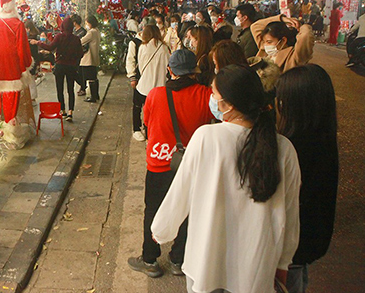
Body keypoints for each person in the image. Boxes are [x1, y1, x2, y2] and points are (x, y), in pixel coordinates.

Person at [152, 64, 301, 293]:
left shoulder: (206, 138)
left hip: (206, 260)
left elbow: (181, 191)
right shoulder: (284, 148)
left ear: (228, 104)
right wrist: (283, 261)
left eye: (214, 94)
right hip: (256, 265)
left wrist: (162, 230)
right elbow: (290, 213)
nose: (211, 98)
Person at [128, 50, 214, 278]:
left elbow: (147, 121)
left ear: (170, 71)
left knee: (153, 210)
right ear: (194, 71)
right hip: (191, 167)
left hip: (159, 164)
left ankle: (150, 260)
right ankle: (178, 259)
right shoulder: (206, 95)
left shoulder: (156, 95)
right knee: (188, 212)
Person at [276, 65, 339, 293]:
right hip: (309, 242)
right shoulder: (322, 136)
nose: (278, 105)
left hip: (292, 245)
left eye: (282, 100)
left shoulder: (294, 147)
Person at [33, 17, 84, 121]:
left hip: (60, 66)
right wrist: (74, 61)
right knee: (71, 89)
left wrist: (38, 43)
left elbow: (50, 47)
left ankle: (63, 111)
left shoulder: (59, 37)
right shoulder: (76, 39)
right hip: (71, 67)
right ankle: (70, 112)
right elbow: (80, 53)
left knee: (60, 89)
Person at [134, 25, 171, 138]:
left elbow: (140, 66)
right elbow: (167, 67)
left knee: (139, 107)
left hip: (144, 86)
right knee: (155, 113)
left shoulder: (143, 47)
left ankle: (139, 130)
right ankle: (154, 134)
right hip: (160, 87)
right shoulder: (165, 48)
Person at [125, 28, 145, 141]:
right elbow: (130, 60)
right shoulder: (135, 43)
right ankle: (136, 128)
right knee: (137, 103)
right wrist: (132, 76)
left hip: (150, 77)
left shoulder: (157, 43)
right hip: (138, 77)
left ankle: (146, 126)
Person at [80, 15, 101, 102]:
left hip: (89, 59)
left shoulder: (91, 32)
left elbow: (81, 41)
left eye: (87, 23)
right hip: (94, 57)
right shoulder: (97, 31)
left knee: (90, 78)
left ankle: (93, 97)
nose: (86, 25)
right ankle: (96, 95)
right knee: (94, 77)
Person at [71, 14, 88, 95]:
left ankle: (83, 87)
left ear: (74, 22)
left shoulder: (82, 32)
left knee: (79, 72)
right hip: (74, 55)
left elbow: (84, 45)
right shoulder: (75, 31)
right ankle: (83, 86)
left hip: (80, 55)